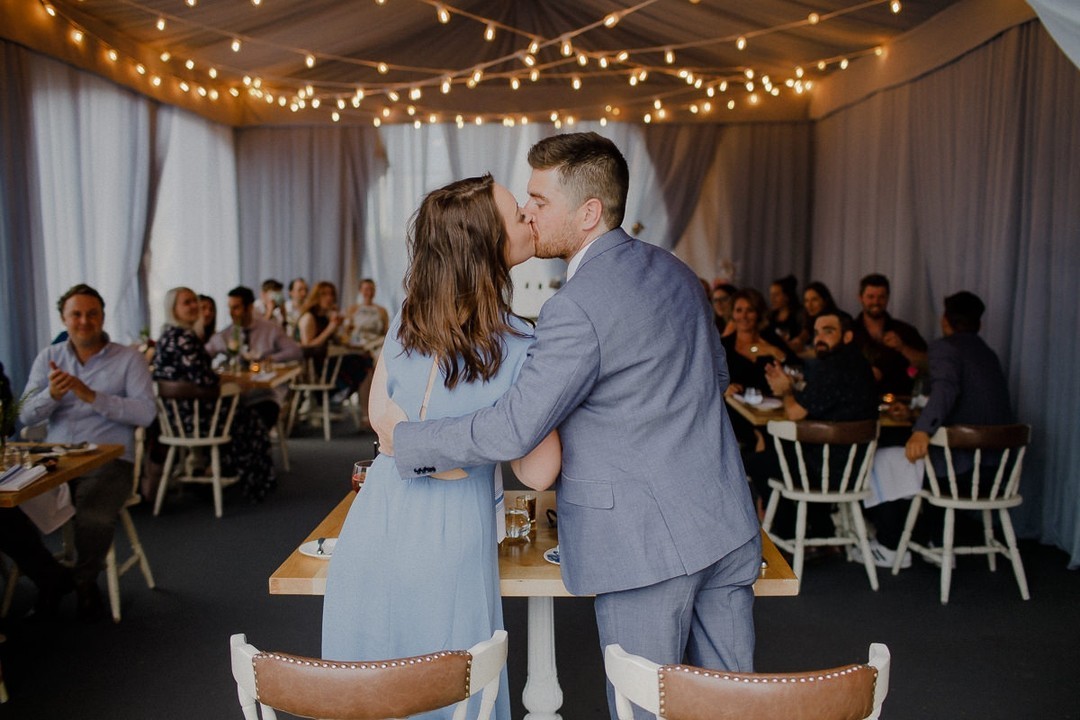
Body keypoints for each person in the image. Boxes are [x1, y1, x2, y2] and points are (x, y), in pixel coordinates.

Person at [386, 132, 761, 718]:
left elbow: (514, 430)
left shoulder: (576, 305)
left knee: (645, 710)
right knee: (734, 709)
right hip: (726, 522)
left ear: (589, 213)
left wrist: (408, 441)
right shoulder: (679, 272)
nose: (529, 212)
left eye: (539, 199)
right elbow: (713, 379)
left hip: (644, 548)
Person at [322, 175, 559, 720]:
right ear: (486, 248)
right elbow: (541, 471)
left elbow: (383, 426)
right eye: (514, 212)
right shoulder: (523, 344)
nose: (528, 213)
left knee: (371, 690)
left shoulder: (407, 321)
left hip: (376, 518)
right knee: (450, 696)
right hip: (450, 537)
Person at [19, 284, 156, 621]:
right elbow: (23, 416)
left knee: (92, 512)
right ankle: (50, 577)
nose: (84, 321)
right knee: (10, 507)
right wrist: (51, 395)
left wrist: (92, 396)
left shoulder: (128, 359)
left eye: (91, 313)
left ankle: (84, 581)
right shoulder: (48, 358)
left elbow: (146, 414)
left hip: (111, 460)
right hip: (56, 458)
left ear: (102, 317)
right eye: (76, 314)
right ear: (64, 319)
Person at [759, 310, 879, 543]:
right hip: (853, 467)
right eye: (816, 332)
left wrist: (785, 391)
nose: (819, 338)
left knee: (757, 462)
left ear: (847, 336)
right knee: (782, 456)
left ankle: (788, 533)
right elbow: (823, 401)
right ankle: (821, 528)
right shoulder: (859, 363)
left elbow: (795, 413)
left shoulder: (833, 366)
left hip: (830, 469)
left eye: (828, 331)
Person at [153, 287, 277, 502]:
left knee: (247, 412)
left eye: (195, 301)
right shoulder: (183, 338)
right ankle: (254, 481)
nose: (194, 306)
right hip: (193, 417)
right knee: (252, 419)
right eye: (187, 303)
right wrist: (232, 381)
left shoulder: (169, 335)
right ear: (173, 309)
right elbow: (205, 380)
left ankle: (225, 468)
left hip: (177, 416)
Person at [205, 286, 302, 431]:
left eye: (236, 308)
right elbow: (204, 355)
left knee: (263, 415)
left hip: (265, 393)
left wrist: (270, 358)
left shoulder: (270, 329)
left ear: (249, 307)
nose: (232, 313)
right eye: (230, 308)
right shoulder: (225, 334)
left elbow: (295, 351)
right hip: (235, 394)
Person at [851, 273, 928, 396]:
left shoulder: (905, 331)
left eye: (881, 297)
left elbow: (928, 364)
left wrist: (903, 348)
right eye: (870, 297)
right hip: (856, 405)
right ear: (860, 298)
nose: (876, 302)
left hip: (899, 406)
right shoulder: (848, 332)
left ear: (888, 298)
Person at [297, 281, 367, 403]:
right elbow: (307, 347)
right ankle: (334, 396)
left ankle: (342, 396)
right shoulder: (309, 317)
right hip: (314, 366)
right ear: (316, 297)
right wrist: (330, 328)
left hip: (326, 360)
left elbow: (336, 341)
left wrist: (338, 327)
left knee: (365, 359)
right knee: (362, 362)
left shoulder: (324, 317)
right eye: (324, 294)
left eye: (331, 294)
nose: (329, 298)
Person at [767, 275, 807, 353]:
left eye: (776, 295)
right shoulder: (770, 315)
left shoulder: (800, 314)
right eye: (771, 295)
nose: (772, 299)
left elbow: (805, 333)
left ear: (787, 296)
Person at [801, 281, 837, 352]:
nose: (809, 305)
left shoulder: (834, 320)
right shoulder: (811, 319)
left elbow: (824, 351)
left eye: (814, 300)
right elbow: (800, 339)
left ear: (825, 300)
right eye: (806, 301)